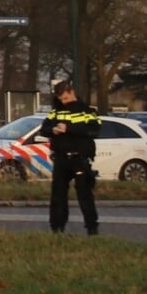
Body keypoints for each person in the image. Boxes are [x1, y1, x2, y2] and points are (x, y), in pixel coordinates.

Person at [37, 78, 101, 236]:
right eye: (60, 99)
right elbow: (43, 129)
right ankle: (57, 228)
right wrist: (53, 130)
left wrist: (69, 128)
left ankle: (92, 228)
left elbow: (94, 130)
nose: (63, 102)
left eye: (65, 98)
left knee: (84, 194)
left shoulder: (87, 110)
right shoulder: (57, 111)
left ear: (72, 92)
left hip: (80, 159)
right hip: (61, 159)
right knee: (58, 195)